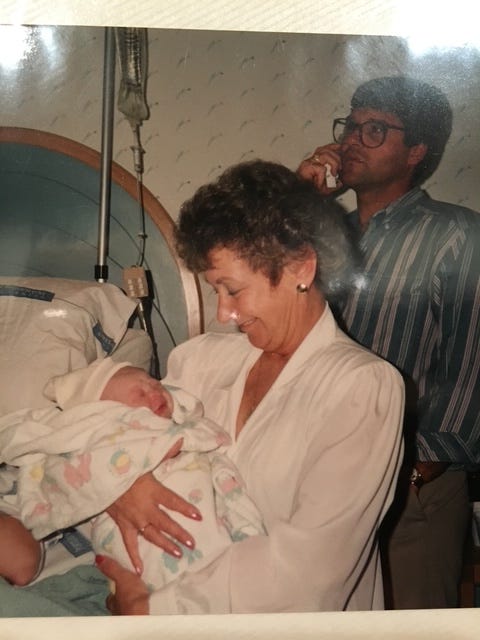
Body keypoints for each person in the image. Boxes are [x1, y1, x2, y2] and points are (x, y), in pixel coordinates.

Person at [94, 158, 405, 615]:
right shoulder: (201, 362)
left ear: (300, 268)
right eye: (215, 291)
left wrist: (153, 610)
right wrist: (122, 484)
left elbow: (309, 572)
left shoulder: (361, 388)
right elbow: (116, 441)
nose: (223, 314)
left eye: (233, 290)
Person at [297, 75, 480, 609]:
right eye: (350, 126)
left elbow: (471, 364)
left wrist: (419, 469)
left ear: (416, 152)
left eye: (374, 129)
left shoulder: (459, 234)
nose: (352, 140)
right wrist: (302, 201)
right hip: (318, 477)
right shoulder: (323, 234)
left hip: (412, 487)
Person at [0, 359, 265, 592]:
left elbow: (205, 437)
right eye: (140, 392)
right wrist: (115, 478)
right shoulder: (85, 444)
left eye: (154, 383)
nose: (154, 390)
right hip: (142, 551)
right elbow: (74, 479)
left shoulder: (176, 427)